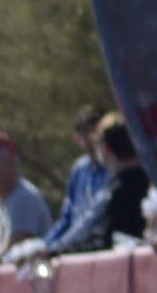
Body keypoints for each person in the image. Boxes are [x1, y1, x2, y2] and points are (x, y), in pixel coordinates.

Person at [46, 114, 153, 252]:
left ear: (104, 147)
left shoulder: (117, 192)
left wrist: (56, 252)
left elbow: (103, 239)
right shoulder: (150, 182)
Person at [43, 106, 109, 248]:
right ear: (77, 139)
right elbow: (66, 219)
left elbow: (92, 219)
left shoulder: (113, 170)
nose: (93, 141)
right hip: (73, 248)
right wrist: (45, 246)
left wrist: (58, 247)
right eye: (87, 135)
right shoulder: (78, 170)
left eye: (96, 134)